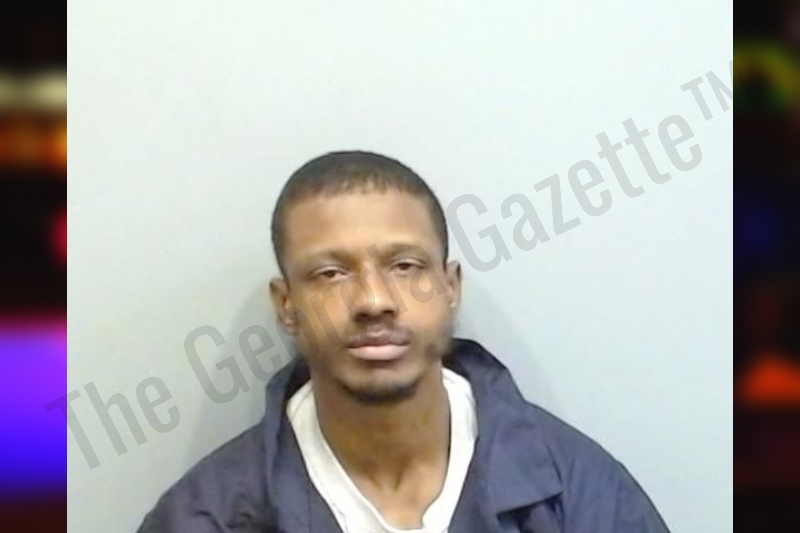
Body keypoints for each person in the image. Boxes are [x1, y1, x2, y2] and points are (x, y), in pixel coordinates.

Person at [137, 151, 671, 532]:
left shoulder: (580, 496)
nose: (374, 300)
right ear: (286, 305)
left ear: (450, 287)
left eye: (406, 266)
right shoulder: (206, 516)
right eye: (330, 273)